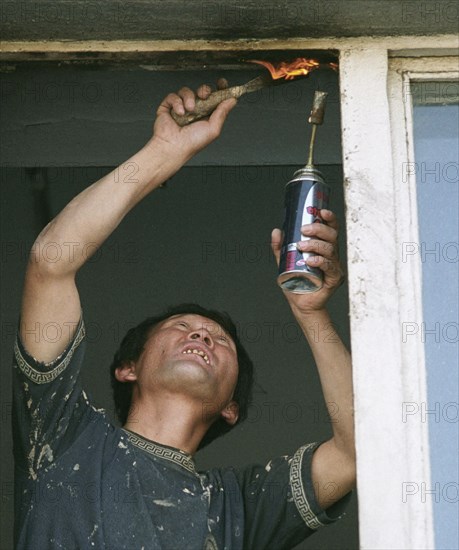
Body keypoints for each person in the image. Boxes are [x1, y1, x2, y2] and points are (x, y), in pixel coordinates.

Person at [13, 79, 356, 549]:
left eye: (221, 341)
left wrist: (312, 313)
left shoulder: (239, 506)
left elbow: (360, 451)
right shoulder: (66, 436)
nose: (203, 336)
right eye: (182, 327)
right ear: (128, 367)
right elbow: (52, 261)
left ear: (232, 406)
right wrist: (160, 153)